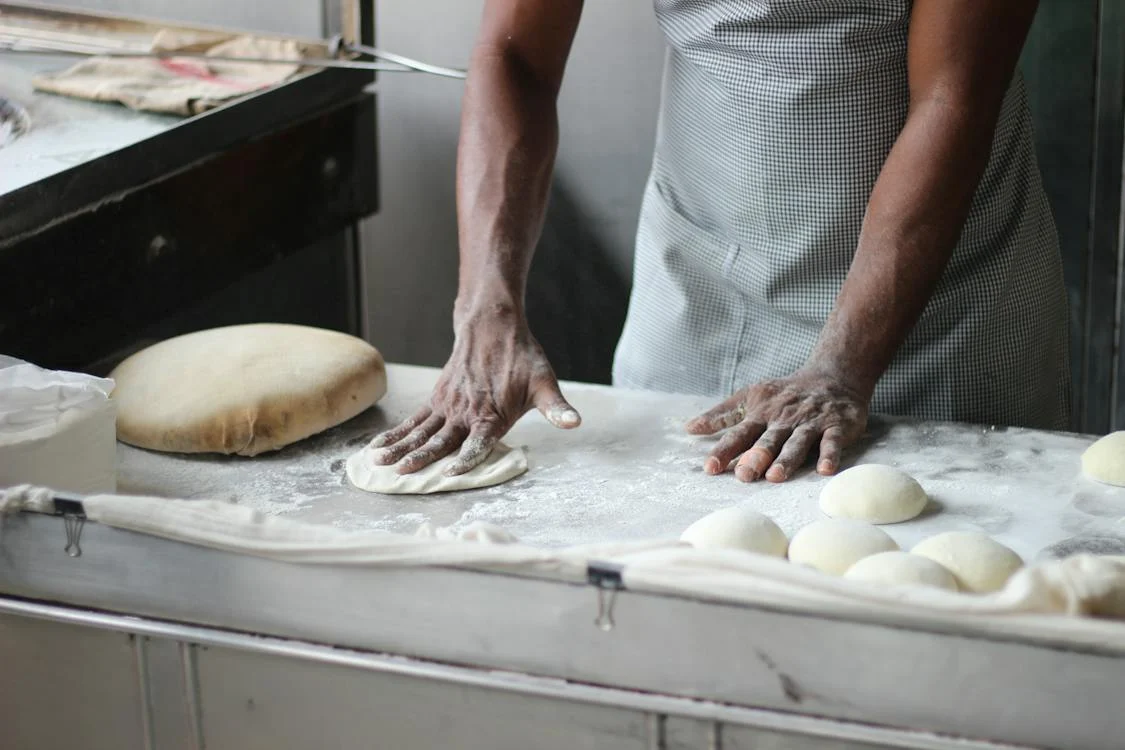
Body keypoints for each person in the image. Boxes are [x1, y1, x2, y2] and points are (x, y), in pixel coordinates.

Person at [371, 0, 1069, 484]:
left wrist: (842, 365)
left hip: (935, 306)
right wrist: (485, 306)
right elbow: (515, 55)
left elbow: (954, 96)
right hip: (700, 276)